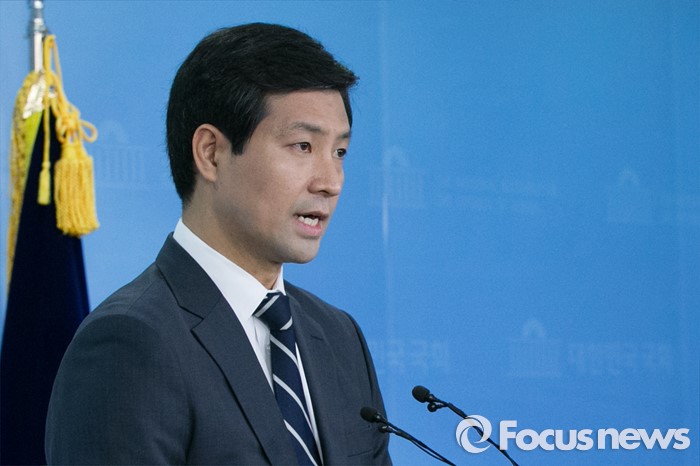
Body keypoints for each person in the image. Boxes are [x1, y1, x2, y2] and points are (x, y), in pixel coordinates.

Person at [45, 23, 391, 465]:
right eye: (303, 146)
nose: (330, 182)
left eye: (339, 152)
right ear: (211, 153)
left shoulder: (340, 338)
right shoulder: (130, 343)